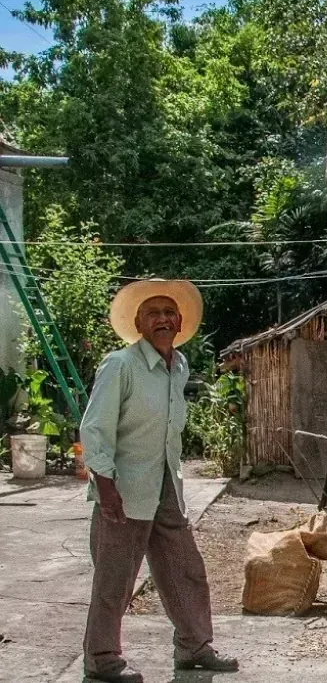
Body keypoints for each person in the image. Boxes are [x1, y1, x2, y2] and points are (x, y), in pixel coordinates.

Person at [79, 279, 238, 683]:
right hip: (124, 487)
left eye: (169, 313)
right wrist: (106, 487)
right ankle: (101, 658)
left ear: (180, 322)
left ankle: (194, 646)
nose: (163, 319)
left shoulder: (178, 366)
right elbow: (95, 429)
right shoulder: (120, 365)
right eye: (153, 313)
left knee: (185, 568)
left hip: (166, 483)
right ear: (138, 323)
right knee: (115, 577)